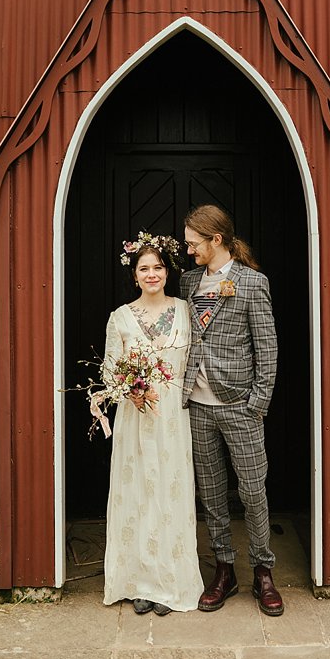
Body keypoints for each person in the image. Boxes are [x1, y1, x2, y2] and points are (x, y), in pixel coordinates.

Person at [180, 204, 283, 616]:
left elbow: (268, 349)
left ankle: (263, 570)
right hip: (197, 409)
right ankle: (224, 569)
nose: (189, 251)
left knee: (253, 490)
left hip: (240, 406)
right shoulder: (188, 282)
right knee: (212, 494)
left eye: (194, 243)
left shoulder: (252, 283)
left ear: (216, 240)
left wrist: (257, 403)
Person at [101, 233, 203, 615]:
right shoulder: (121, 318)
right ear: (134, 275)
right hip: (137, 421)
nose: (151, 274)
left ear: (168, 271)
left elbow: (197, 361)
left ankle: (171, 582)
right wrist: (129, 391)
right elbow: (110, 372)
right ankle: (140, 581)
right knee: (139, 496)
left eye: (157, 267)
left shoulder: (184, 311)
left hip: (174, 419)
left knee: (172, 495)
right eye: (143, 268)